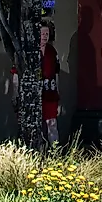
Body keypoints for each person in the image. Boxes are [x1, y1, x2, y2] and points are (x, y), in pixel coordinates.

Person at [36, 20, 62, 149]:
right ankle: (39, 151)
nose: (45, 36)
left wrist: (58, 94)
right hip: (35, 93)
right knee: (37, 124)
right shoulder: (31, 51)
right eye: (42, 33)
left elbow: (56, 73)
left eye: (47, 33)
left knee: (52, 122)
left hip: (50, 93)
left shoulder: (52, 52)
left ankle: (55, 151)